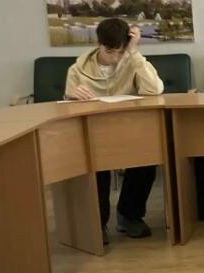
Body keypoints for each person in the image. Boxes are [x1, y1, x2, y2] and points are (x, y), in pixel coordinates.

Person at [64, 18, 163, 243]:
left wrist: (133, 52)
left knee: (148, 157)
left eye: (120, 51)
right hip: (93, 133)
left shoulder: (131, 60)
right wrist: (71, 96)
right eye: (110, 52)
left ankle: (129, 215)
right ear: (98, 44)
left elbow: (154, 90)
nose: (116, 58)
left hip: (128, 129)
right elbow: (67, 107)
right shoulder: (78, 69)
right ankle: (97, 223)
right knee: (95, 165)